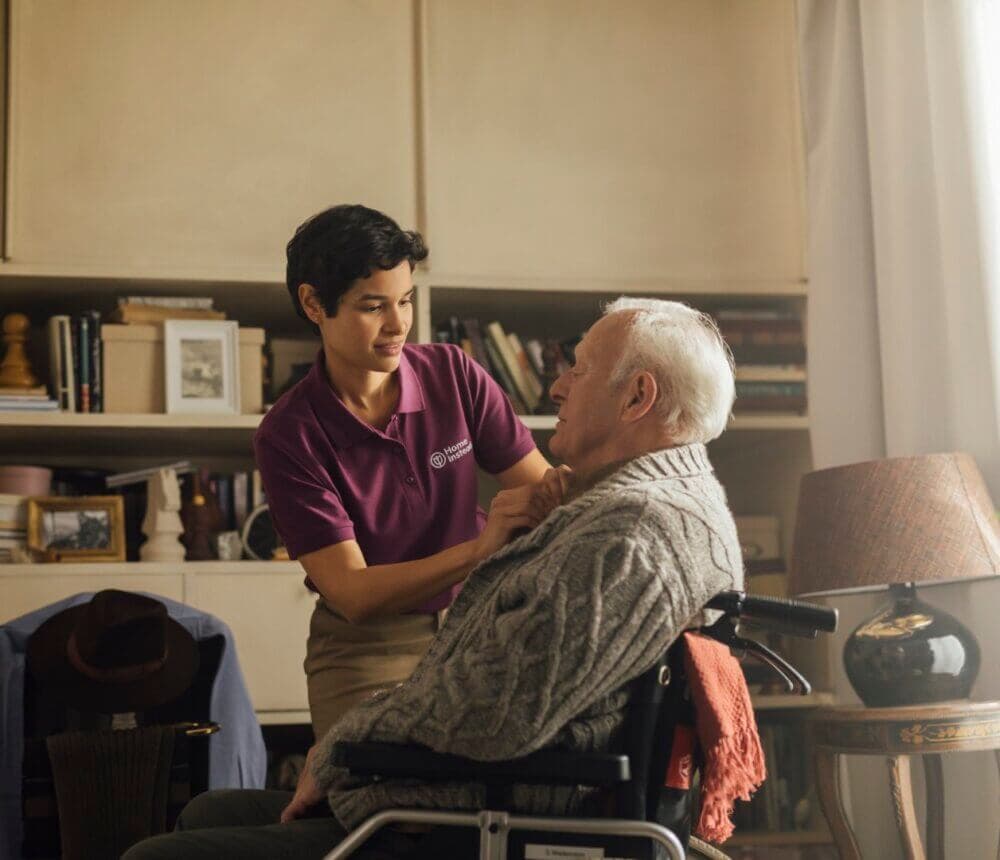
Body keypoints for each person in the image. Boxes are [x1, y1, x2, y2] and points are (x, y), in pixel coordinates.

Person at [125, 297, 744, 860]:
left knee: (155, 856)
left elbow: (499, 712)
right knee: (208, 811)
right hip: (493, 778)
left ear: (637, 398)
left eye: (577, 370)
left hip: (495, 814)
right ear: (317, 307)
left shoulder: (629, 534)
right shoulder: (662, 504)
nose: (556, 387)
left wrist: (343, 742)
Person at [254, 204, 554, 740]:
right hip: (368, 649)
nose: (398, 325)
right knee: (370, 807)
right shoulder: (289, 435)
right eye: (373, 307)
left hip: (483, 622)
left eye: (406, 300)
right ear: (313, 303)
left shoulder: (454, 374)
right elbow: (354, 593)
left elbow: (547, 493)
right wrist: (478, 551)